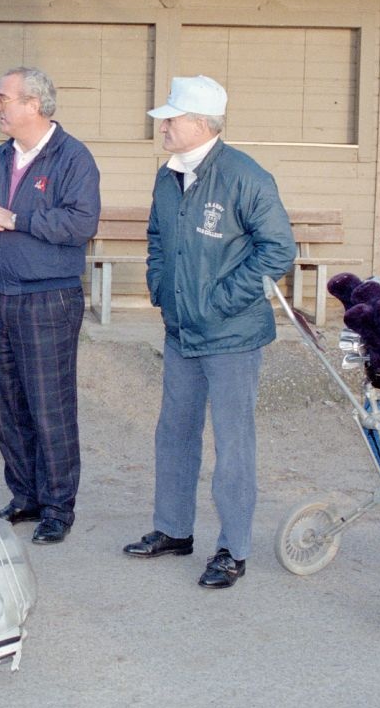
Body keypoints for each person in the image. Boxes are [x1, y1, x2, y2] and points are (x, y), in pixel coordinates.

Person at [122, 74, 295, 588]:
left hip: (231, 337)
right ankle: (173, 529)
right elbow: (157, 236)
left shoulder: (246, 177)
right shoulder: (168, 174)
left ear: (200, 123)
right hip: (181, 332)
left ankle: (232, 549)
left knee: (233, 443)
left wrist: (219, 301)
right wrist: (160, 286)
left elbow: (278, 251)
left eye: (171, 120)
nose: (164, 127)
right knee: (174, 431)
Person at [0, 66, 100, 545]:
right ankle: (23, 495)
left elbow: (80, 223)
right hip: (0, 292)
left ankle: (58, 507)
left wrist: (16, 218)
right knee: (6, 403)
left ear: (34, 105)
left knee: (50, 406)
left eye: (3, 97)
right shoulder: (0, 156)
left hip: (48, 297)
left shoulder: (73, 158)